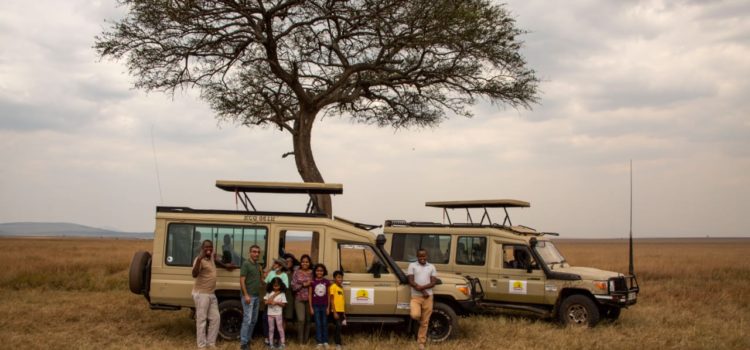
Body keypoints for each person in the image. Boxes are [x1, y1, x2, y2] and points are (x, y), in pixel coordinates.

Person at [191, 239, 236, 349]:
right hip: (201, 294)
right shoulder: (199, 260)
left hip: (211, 293)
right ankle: (201, 346)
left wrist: (226, 266)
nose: (209, 249)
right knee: (201, 320)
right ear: (202, 249)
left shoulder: (211, 257)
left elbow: (216, 261)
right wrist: (199, 259)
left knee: (216, 319)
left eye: (210, 247)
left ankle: (211, 343)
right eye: (206, 247)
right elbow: (194, 274)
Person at [407, 248, 437, 350]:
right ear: (417, 257)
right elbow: (410, 281)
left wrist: (422, 288)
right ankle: (419, 326)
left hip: (428, 298)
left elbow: (433, 282)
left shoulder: (432, 267)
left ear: (426, 256)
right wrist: (423, 291)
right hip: (416, 297)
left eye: (424, 256)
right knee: (415, 315)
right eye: (420, 256)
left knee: (425, 322)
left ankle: (421, 342)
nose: (422, 258)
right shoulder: (412, 266)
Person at [240, 244, 264, 350]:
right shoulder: (246, 264)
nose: (256, 254)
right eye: (254, 252)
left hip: (256, 296)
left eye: (258, 252)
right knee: (247, 320)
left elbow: (262, 280)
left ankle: (248, 339)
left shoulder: (257, 266)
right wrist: (246, 295)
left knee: (254, 320)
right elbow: (242, 280)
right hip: (249, 296)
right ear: (249, 253)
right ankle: (243, 343)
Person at [264, 258, 289, 347]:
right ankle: (268, 339)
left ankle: (279, 340)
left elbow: (284, 288)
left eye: (276, 264)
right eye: (274, 263)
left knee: (279, 325)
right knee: (267, 321)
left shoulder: (284, 275)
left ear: (281, 266)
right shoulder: (271, 273)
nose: (274, 265)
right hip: (269, 302)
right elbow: (266, 283)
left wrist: (273, 296)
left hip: (277, 301)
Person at [291, 254, 314, 344]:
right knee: (301, 320)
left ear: (309, 263)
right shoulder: (296, 272)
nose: (305, 263)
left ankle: (306, 340)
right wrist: (304, 285)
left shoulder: (313, 272)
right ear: (300, 262)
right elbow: (293, 286)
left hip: (310, 300)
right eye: (303, 261)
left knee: (308, 321)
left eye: (307, 262)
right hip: (299, 299)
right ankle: (300, 341)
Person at [308, 263, 331, 348]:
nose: (319, 272)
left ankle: (325, 341)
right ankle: (319, 342)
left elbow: (328, 295)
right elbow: (310, 295)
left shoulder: (327, 282)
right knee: (318, 323)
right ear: (315, 272)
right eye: (317, 270)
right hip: (315, 306)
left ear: (324, 272)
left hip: (324, 306)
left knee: (324, 323)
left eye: (321, 271)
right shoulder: (312, 282)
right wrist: (311, 307)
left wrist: (328, 307)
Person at [329, 270, 347, 350]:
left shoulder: (341, 288)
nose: (340, 279)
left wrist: (343, 313)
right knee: (338, 326)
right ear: (334, 278)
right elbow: (332, 300)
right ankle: (338, 344)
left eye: (341, 277)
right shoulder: (333, 287)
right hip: (335, 311)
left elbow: (342, 301)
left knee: (339, 327)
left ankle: (338, 341)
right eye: (338, 277)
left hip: (341, 311)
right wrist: (334, 312)